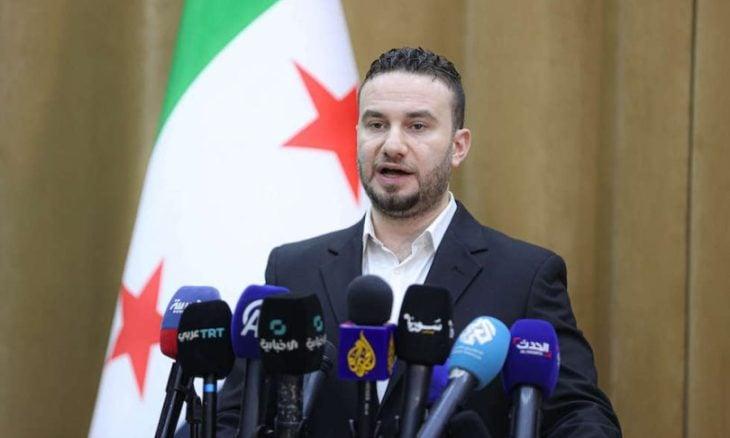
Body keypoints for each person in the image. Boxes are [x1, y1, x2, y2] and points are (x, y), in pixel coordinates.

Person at [216, 47, 621, 437]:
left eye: (417, 126)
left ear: (458, 147)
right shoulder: (293, 270)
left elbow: (579, 417)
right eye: (377, 125)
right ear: (357, 136)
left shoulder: (524, 277)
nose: (392, 145)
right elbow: (234, 416)